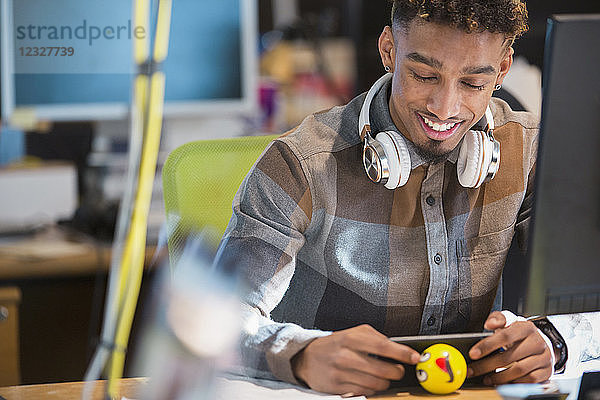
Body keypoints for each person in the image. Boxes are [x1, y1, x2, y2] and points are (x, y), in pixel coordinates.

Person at [214, 0, 599, 396]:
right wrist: (302, 355)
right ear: (389, 51)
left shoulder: (536, 152)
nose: (444, 107)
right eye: (423, 75)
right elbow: (214, 324)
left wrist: (558, 337)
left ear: (502, 69)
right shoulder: (299, 164)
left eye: (473, 83)